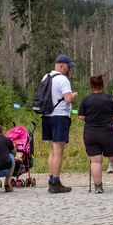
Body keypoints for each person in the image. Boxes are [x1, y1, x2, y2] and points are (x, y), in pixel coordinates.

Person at [78, 75, 113, 193]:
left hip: (91, 134)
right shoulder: (109, 98)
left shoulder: (86, 100)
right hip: (108, 133)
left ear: (91, 86)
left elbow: (81, 117)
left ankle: (98, 186)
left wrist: (91, 117)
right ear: (103, 85)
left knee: (95, 161)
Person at [41, 54, 78, 194]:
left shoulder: (46, 77)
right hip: (60, 117)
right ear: (62, 66)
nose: (69, 69)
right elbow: (68, 99)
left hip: (47, 116)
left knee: (52, 150)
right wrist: (74, 95)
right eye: (68, 66)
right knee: (58, 151)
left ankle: (51, 179)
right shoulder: (62, 79)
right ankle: (55, 183)